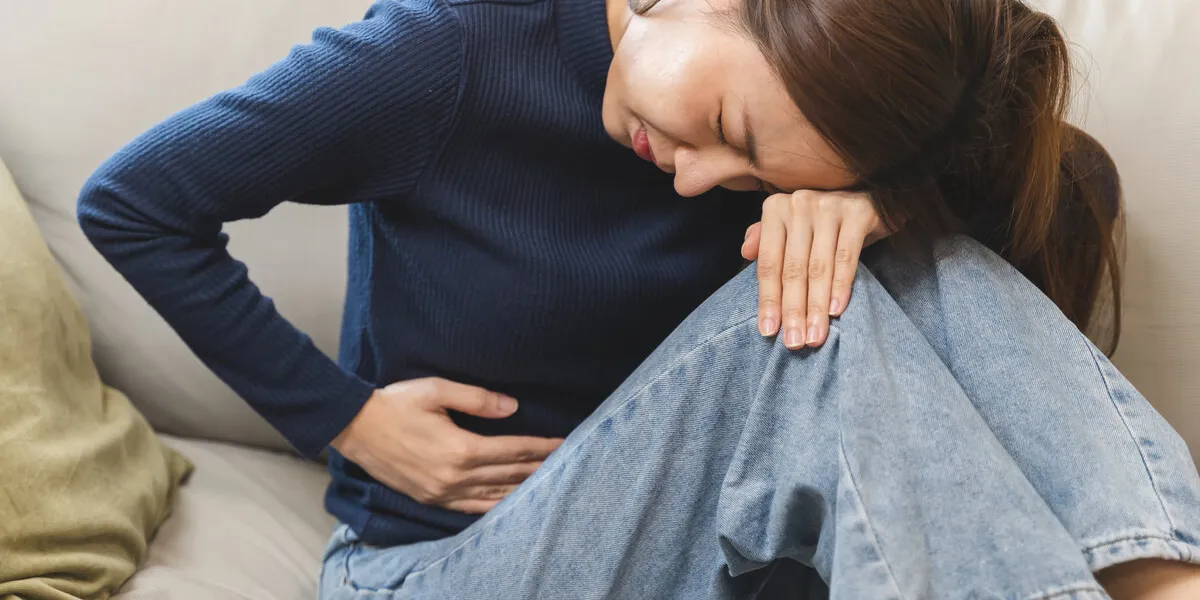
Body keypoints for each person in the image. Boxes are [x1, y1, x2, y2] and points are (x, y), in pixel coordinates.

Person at [76, 0, 1200, 595]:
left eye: (758, 177)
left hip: (722, 563)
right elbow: (133, 200)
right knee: (818, 320)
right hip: (450, 574)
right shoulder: (450, 49)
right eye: (731, 132)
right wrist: (344, 422)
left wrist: (875, 210)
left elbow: (1078, 183)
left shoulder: (829, 152)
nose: (705, 177)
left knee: (913, 273)